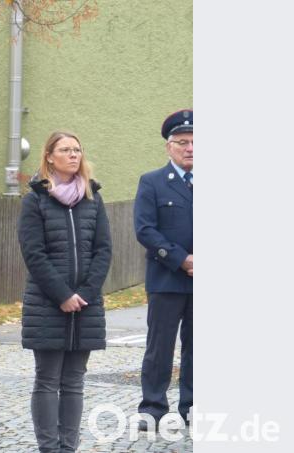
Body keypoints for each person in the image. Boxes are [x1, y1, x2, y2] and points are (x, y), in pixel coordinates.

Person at [17, 131, 112, 453]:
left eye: (77, 150)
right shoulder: (35, 200)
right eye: (65, 150)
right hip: (47, 304)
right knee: (47, 380)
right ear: (49, 157)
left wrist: (85, 292)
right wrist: (62, 295)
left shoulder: (92, 198)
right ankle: (49, 448)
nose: (73, 155)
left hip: (86, 304)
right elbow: (34, 253)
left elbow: (103, 250)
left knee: (74, 381)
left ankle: (68, 447)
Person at [134, 109, 193, 430]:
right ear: (169, 146)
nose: (190, 148)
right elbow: (145, 229)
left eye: (196, 142)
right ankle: (153, 407)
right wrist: (182, 259)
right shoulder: (153, 182)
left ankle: (193, 405)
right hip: (166, 279)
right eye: (182, 142)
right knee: (160, 347)